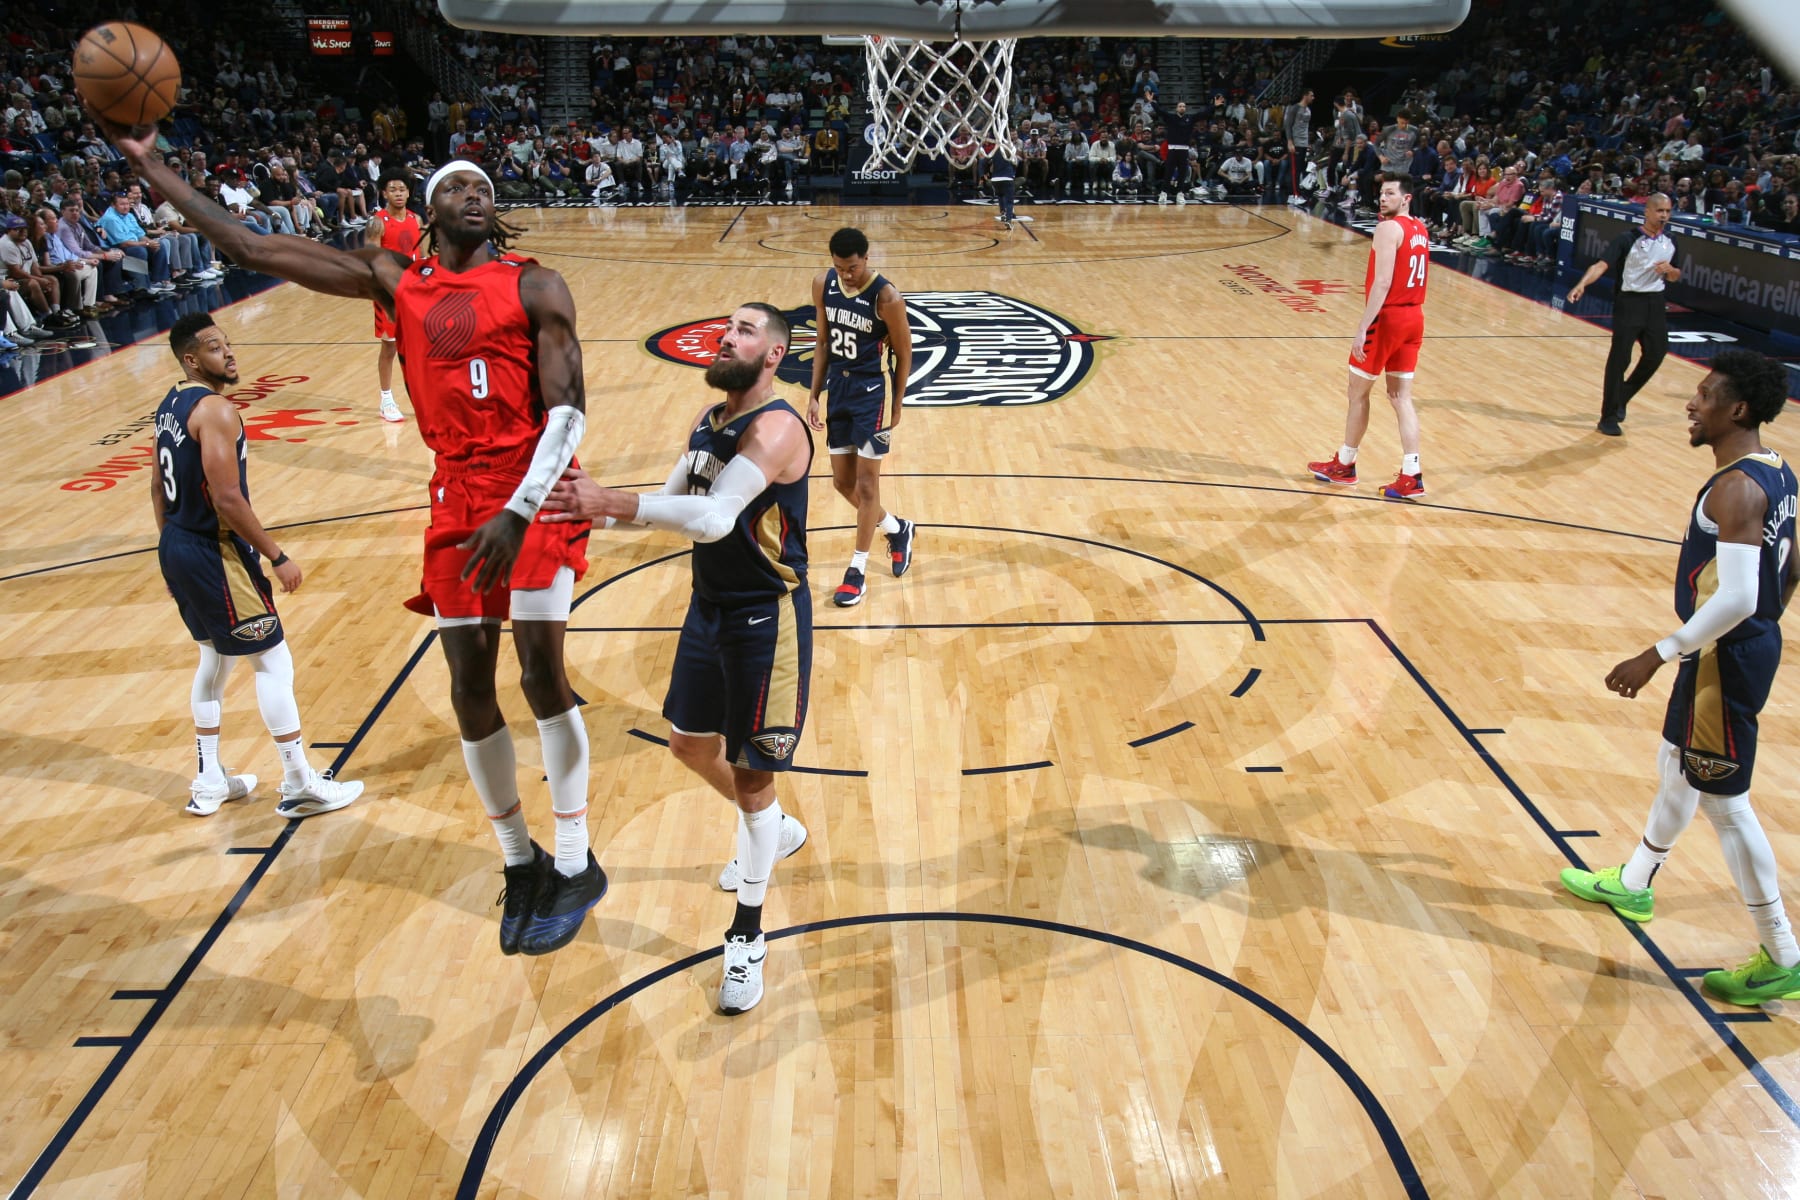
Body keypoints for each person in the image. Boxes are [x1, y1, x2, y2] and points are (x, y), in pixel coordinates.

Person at [107, 120, 606, 958]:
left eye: (483, 186)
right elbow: (247, 243)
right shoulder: (393, 278)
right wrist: (150, 164)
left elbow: (568, 410)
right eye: (456, 186)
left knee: (540, 672)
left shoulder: (538, 284)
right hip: (455, 493)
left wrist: (520, 507)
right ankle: (520, 861)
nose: (473, 194)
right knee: (468, 687)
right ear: (426, 213)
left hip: (536, 486)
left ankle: (577, 858)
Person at [539, 303, 814, 1015]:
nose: (727, 338)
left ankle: (746, 938)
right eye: (726, 330)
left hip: (765, 621)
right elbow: (671, 506)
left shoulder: (779, 427)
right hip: (710, 608)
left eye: (745, 331)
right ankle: (775, 832)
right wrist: (584, 507)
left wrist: (614, 501)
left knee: (752, 784)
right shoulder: (707, 423)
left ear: (775, 355)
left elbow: (719, 516)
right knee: (689, 745)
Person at [1560, 350, 1800, 1007]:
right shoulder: (1777, 471)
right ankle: (1636, 880)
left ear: (1739, 409)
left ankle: (1783, 953)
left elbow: (1740, 598)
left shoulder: (1736, 488)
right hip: (1727, 651)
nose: (1691, 404)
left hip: (1726, 654)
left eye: (1704, 394)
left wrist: (1658, 653)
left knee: (1726, 802)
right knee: (1676, 762)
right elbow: (1792, 561)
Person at [154, 313, 365, 820]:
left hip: (179, 544)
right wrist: (277, 555)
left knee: (215, 660)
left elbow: (155, 488)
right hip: (213, 552)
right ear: (191, 359)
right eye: (213, 347)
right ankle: (299, 783)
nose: (227, 353)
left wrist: (168, 552)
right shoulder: (217, 410)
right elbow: (227, 497)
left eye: (226, 344)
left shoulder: (169, 405)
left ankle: (209, 781)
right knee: (274, 663)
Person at [809, 227, 916, 607]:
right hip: (839, 388)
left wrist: (898, 404)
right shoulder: (824, 283)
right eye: (839, 267)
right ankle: (897, 528)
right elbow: (822, 341)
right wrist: (814, 395)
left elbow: (905, 353)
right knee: (842, 483)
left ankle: (856, 571)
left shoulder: (886, 296)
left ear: (866, 258)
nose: (845, 274)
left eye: (851, 267)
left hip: (874, 393)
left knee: (868, 487)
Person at [1308, 172, 1431, 498]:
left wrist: (1363, 326)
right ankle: (1412, 473)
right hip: (1415, 316)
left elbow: (1383, 281)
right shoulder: (1419, 228)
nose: (1382, 198)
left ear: (1406, 198)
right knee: (1400, 397)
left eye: (1390, 193)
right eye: (1381, 193)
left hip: (1388, 319)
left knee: (1357, 392)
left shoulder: (1388, 228)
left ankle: (1345, 465)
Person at [1567, 192, 1682, 436]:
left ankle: (1624, 395)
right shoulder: (1626, 239)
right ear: (1647, 212)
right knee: (1620, 359)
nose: (1664, 216)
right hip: (1629, 302)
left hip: (1655, 301)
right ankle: (1608, 416)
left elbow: (1676, 275)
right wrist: (1582, 284)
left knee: (1656, 353)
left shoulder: (1671, 240)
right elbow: (1601, 265)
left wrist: (1670, 270)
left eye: (1668, 212)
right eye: (1660, 211)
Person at [366, 172, 422, 423]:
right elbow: (370, 260)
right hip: (387, 294)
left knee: (416, 348)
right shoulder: (377, 222)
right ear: (384, 194)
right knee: (390, 346)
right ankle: (386, 399)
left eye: (402, 189)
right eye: (393, 189)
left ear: (408, 192)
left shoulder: (415, 218)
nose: (398, 193)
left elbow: (418, 257)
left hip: (412, 291)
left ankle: (421, 398)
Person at [987, 145, 1018, 225]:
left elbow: (991, 169)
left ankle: (1003, 214)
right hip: (1007, 178)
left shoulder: (994, 152)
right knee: (1009, 201)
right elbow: (1016, 164)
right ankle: (1008, 220)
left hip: (995, 179)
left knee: (1000, 196)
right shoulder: (1010, 151)